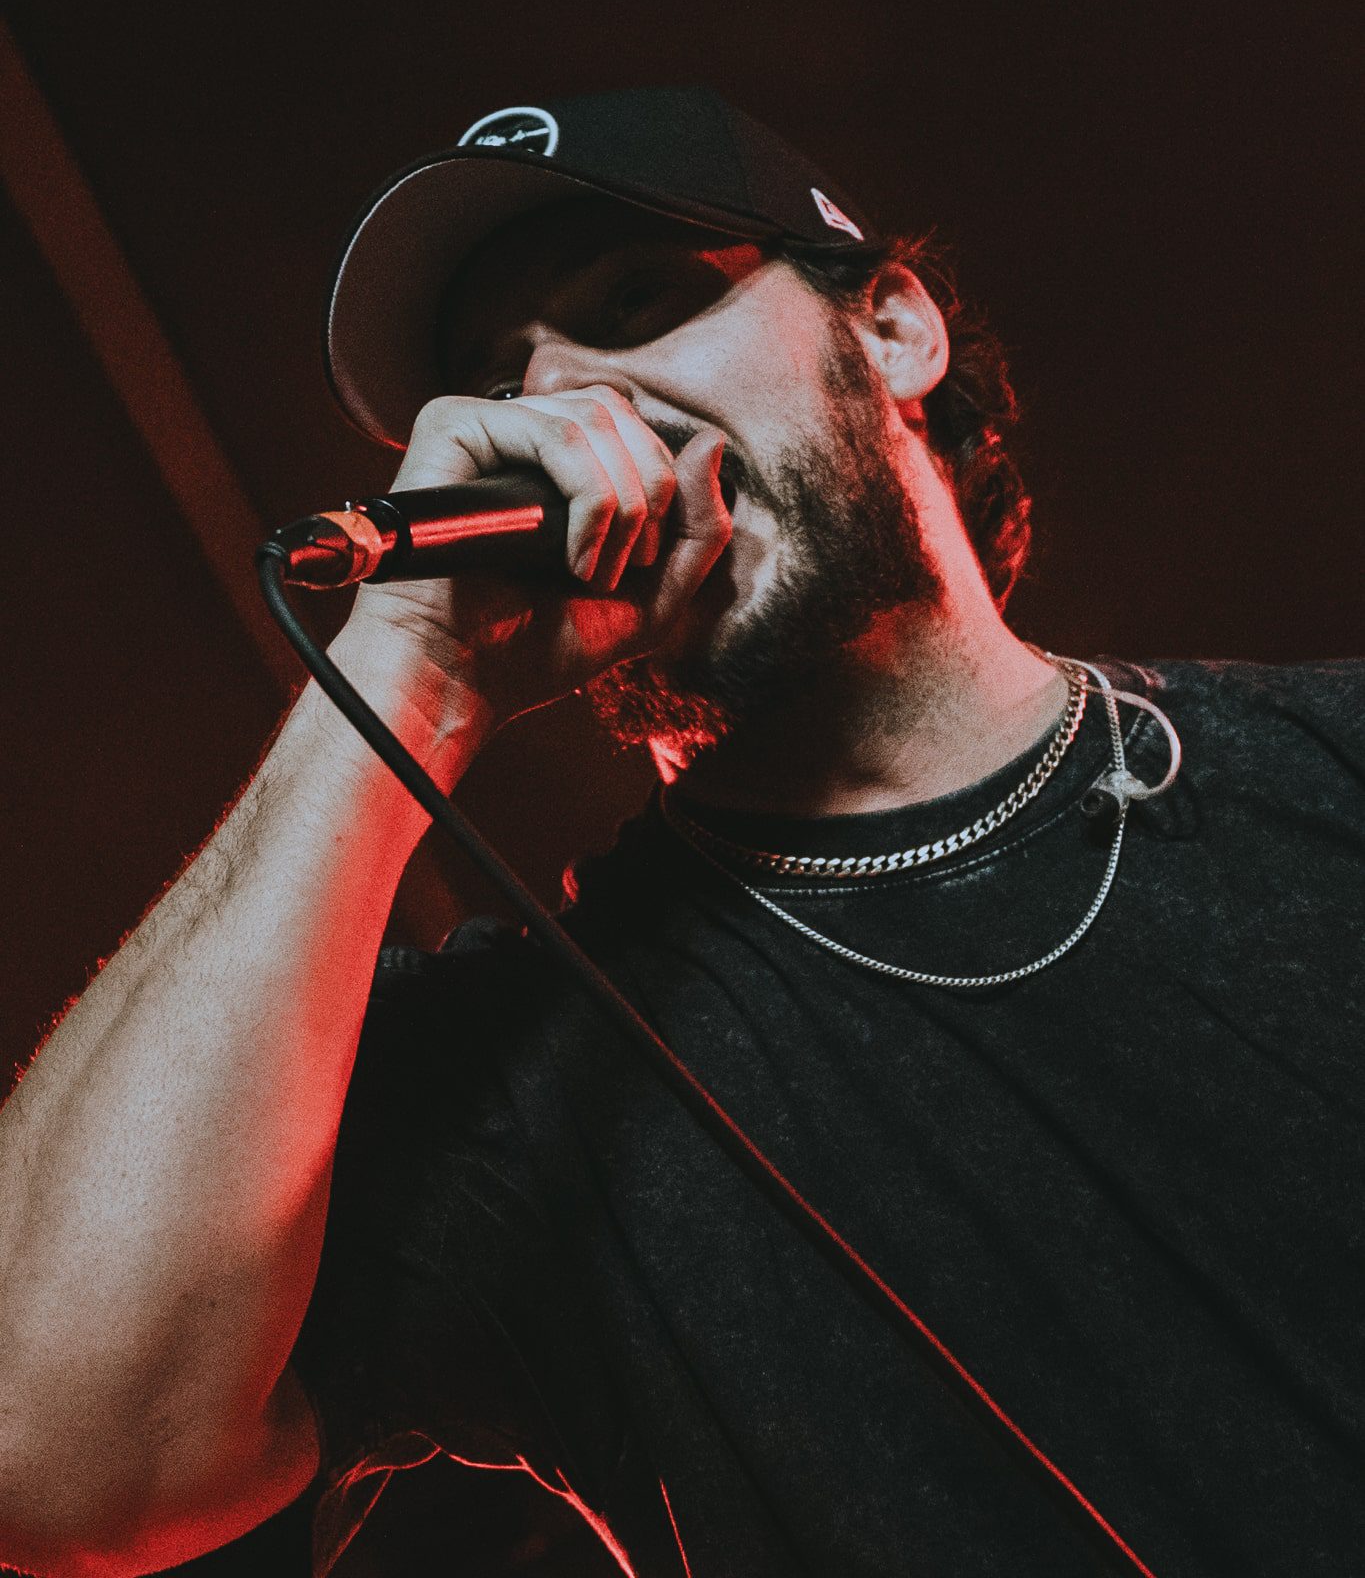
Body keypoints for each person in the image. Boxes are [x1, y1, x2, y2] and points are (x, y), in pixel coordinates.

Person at [0, 86, 1359, 1578]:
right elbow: (43, 1461)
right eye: (501, 387)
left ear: (892, 330)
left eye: (634, 304)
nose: (568, 411)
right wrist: (406, 672)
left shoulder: (1324, 766)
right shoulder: (529, 1077)